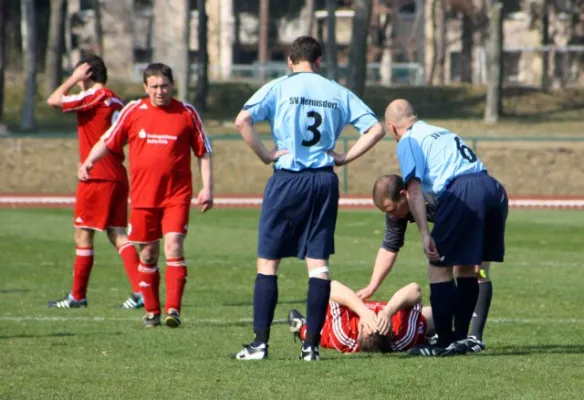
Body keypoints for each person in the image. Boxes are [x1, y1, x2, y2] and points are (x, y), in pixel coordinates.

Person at [233, 36, 385, 361]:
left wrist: (265, 154)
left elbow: (242, 120)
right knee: (318, 267)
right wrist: (344, 158)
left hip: (288, 179)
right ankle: (311, 347)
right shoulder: (336, 91)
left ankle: (259, 345)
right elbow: (376, 129)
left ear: (290, 60)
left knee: (269, 263)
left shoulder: (280, 87)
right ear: (319, 61)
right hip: (323, 181)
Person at [77, 63, 214, 328]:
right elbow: (108, 139)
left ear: (172, 85)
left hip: (176, 196)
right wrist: (88, 162)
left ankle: (173, 310)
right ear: (145, 88)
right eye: (154, 87)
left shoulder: (186, 113)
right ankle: (152, 311)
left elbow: (204, 152)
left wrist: (207, 187)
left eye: (164, 86)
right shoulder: (133, 110)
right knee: (148, 254)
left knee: (174, 246)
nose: (159, 92)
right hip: (142, 199)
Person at [384, 99, 508, 356]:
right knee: (468, 268)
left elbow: (414, 190)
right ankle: (461, 339)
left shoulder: (408, 140)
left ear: (392, 127)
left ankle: (442, 343)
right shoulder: (440, 131)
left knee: (437, 268)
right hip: (492, 189)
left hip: (463, 191)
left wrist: (425, 234)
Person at [46, 55, 143, 310]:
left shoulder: (94, 96)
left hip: (97, 176)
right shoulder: (116, 100)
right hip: (117, 174)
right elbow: (122, 138)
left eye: (80, 72)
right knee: (117, 234)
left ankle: (78, 296)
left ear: (87, 73)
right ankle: (142, 291)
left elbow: (53, 100)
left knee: (83, 234)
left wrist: (74, 79)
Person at [358, 174, 494, 352]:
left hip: (477, 209)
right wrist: (371, 287)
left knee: (479, 270)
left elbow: (471, 209)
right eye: (386, 212)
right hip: (459, 215)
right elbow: (390, 247)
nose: (391, 215)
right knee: (449, 269)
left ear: (404, 194)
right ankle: (453, 336)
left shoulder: (434, 194)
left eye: (391, 209)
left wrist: (478, 250)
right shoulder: (398, 210)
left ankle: (474, 337)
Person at [288, 280, 434, 354]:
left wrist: (363, 312)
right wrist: (387, 312)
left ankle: (301, 326)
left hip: (334, 325)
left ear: (359, 331)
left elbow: (331, 286)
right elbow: (414, 289)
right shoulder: (401, 336)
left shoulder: (344, 334)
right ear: (390, 333)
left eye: (369, 323)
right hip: (394, 311)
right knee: (435, 317)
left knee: (319, 331)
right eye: (381, 323)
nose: (375, 318)